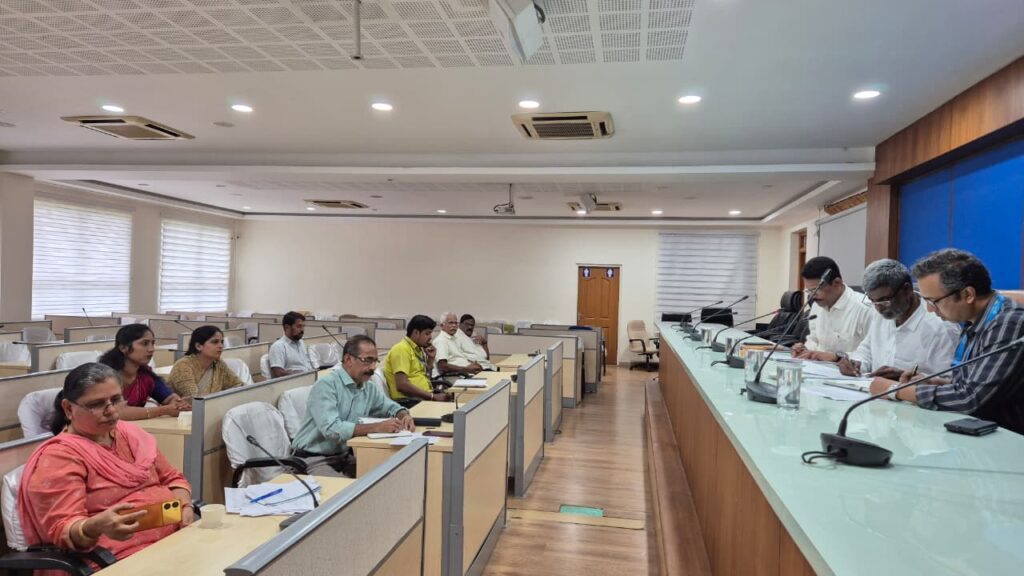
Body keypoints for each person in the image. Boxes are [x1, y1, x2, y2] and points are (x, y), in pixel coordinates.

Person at [18, 363, 193, 565]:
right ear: (68, 408)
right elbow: (63, 529)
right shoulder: (60, 457)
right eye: (97, 404)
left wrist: (185, 506)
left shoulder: (131, 434)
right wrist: (94, 526)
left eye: (116, 400)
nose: (111, 411)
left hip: (174, 540)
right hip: (115, 559)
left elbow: (173, 478)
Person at [869, 249, 1024, 434]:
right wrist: (936, 382)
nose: (930, 310)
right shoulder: (973, 320)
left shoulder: (1008, 323)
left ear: (968, 295)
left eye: (934, 301)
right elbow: (972, 382)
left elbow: (970, 399)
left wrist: (895, 390)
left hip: (1010, 439)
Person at [808, 259, 958, 378]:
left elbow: (949, 382)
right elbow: (866, 351)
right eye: (873, 301)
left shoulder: (941, 327)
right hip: (874, 394)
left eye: (884, 300)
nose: (879, 308)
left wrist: (906, 377)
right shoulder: (880, 314)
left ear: (906, 290)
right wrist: (856, 363)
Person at [291, 335, 415, 477]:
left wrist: (404, 415)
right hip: (312, 459)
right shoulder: (326, 385)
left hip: (344, 457)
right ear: (349, 359)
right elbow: (332, 429)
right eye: (367, 360)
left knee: (385, 477)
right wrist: (376, 427)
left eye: (375, 361)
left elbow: (389, 407)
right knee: (346, 490)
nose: (373, 367)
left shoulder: (368, 387)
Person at [98, 324, 189, 421]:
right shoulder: (106, 376)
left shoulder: (145, 376)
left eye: (152, 344)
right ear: (123, 348)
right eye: (144, 343)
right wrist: (164, 410)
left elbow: (170, 398)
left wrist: (178, 404)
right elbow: (118, 412)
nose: (151, 349)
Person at [791, 256, 874, 359]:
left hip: (848, 368)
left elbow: (873, 355)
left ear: (837, 283)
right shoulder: (817, 305)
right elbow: (814, 340)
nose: (812, 296)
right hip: (816, 366)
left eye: (816, 290)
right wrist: (805, 349)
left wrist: (836, 357)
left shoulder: (865, 309)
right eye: (809, 291)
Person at [384, 315, 450, 403]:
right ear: (416, 332)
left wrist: (430, 359)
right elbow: (402, 385)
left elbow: (426, 378)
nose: (430, 337)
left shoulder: (417, 349)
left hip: (421, 397)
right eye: (427, 333)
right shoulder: (402, 349)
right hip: (408, 401)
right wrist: (432, 396)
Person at [166, 326, 245, 398]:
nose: (221, 346)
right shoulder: (183, 366)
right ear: (198, 346)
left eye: (222, 342)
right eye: (215, 342)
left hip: (213, 406)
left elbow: (239, 386)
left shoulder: (218, 364)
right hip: (190, 409)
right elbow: (194, 399)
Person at [268, 311, 312, 378]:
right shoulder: (278, 346)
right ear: (287, 327)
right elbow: (279, 373)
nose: (302, 330)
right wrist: (301, 376)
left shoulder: (301, 342)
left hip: (308, 377)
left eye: (303, 326)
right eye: (299, 326)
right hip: (295, 381)